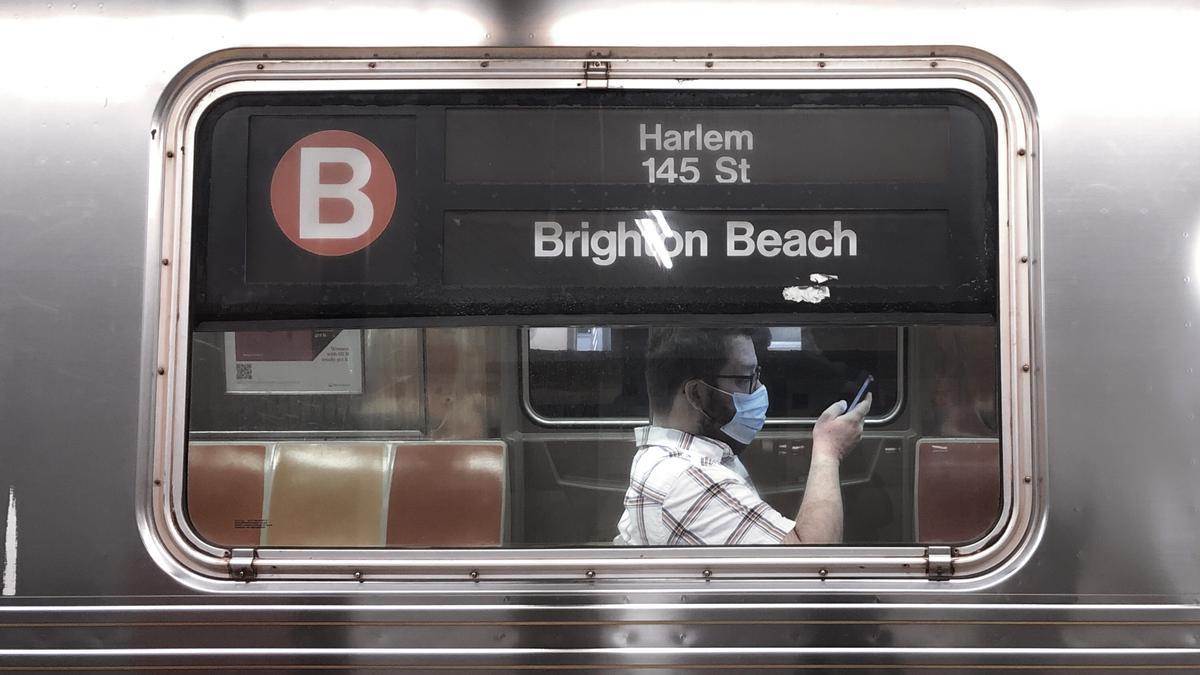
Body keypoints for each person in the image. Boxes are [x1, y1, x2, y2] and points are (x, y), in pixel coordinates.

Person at [614, 327, 870, 546]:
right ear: (697, 394)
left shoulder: (669, 457)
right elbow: (812, 566)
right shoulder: (688, 479)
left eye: (757, 375)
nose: (760, 390)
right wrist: (828, 451)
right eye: (746, 379)